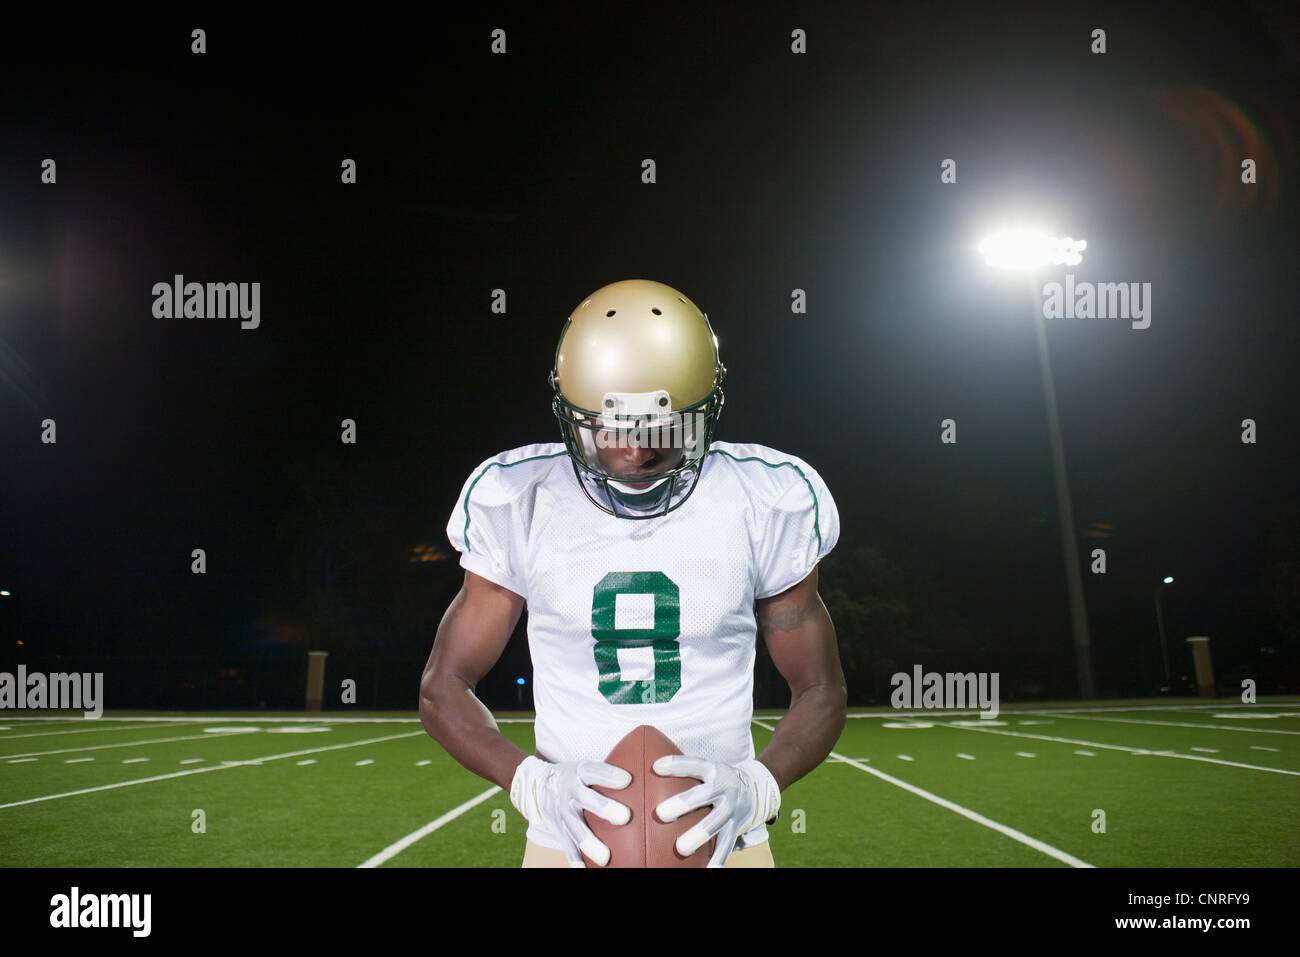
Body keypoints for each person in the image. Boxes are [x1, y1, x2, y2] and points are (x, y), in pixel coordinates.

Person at [419, 279, 846, 867]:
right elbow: (443, 687)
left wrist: (757, 787)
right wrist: (532, 784)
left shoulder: (764, 500)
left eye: (662, 430)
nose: (638, 454)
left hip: (726, 837)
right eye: (614, 429)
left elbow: (821, 688)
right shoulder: (520, 499)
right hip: (567, 838)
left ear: (707, 411)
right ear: (570, 413)